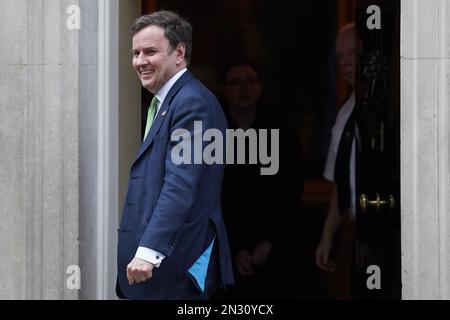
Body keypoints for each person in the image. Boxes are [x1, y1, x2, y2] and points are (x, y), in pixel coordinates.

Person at [116, 11, 234, 300]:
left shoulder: (192, 103)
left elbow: (181, 185)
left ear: (179, 52)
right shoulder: (168, 101)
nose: (140, 61)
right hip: (161, 274)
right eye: (136, 53)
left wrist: (149, 252)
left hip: (175, 269)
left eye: (150, 51)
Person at [219, 62, 303, 299]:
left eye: (249, 81)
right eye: (235, 83)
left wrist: (270, 239)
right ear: (224, 90)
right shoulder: (212, 132)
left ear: (260, 86)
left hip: (275, 247)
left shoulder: (281, 130)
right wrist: (234, 248)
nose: (243, 89)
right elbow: (211, 195)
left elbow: (290, 190)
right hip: (225, 247)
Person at [315, 23, 356, 296]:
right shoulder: (346, 110)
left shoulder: (389, 105)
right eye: (340, 56)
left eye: (352, 53)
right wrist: (327, 235)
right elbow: (339, 183)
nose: (345, 62)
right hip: (352, 228)